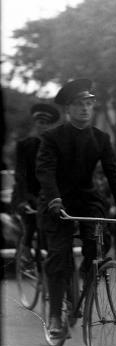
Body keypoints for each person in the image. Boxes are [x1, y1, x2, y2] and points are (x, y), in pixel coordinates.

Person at [36, 78, 116, 337]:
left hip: (88, 200)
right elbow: (45, 171)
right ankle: (55, 315)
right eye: (79, 104)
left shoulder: (101, 138)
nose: (85, 109)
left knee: (100, 243)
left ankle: (86, 282)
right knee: (59, 255)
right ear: (68, 109)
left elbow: (113, 172)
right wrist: (54, 199)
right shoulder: (52, 137)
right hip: (58, 201)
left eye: (89, 104)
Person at [13, 103, 60, 250]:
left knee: (54, 231)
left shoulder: (56, 148)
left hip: (48, 196)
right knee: (31, 227)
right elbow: (20, 174)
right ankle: (25, 255)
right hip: (27, 195)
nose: (43, 127)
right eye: (41, 123)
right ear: (36, 123)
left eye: (47, 124)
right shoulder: (25, 145)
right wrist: (25, 198)